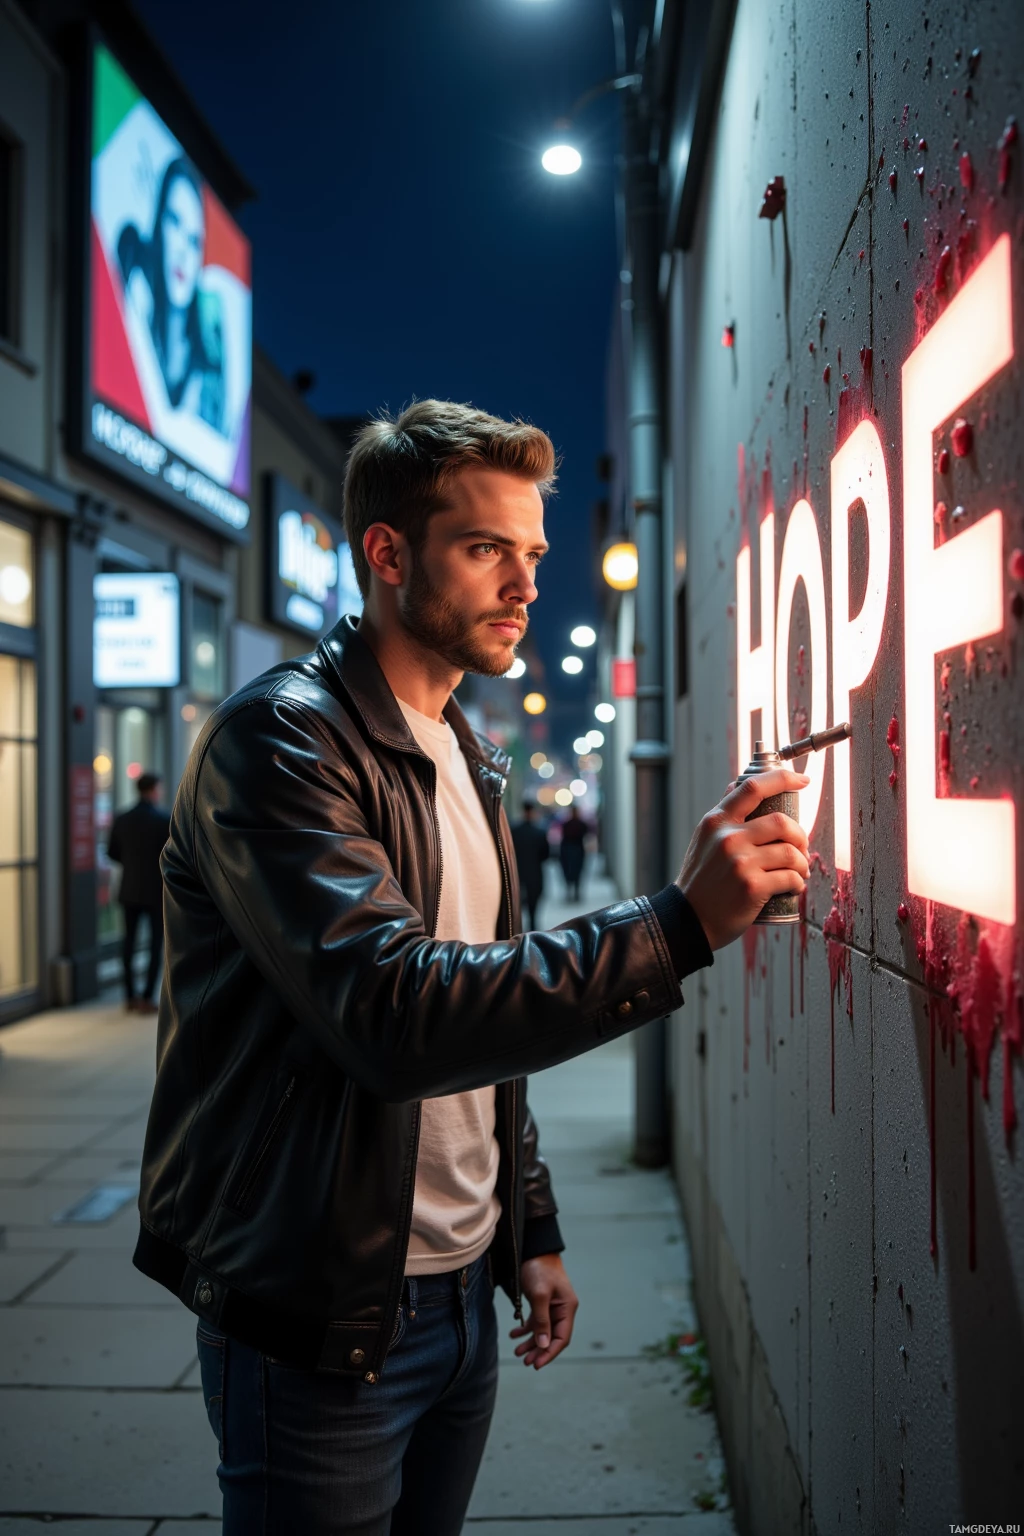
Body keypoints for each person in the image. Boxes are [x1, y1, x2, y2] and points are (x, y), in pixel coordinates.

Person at [132, 400, 809, 1535]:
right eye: (487, 548)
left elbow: (487, 1026)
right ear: (386, 553)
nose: (525, 584)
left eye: (534, 553)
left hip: (459, 1302)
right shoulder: (279, 743)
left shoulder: (466, 754)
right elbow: (396, 1011)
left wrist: (525, 1233)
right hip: (316, 1310)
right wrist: (675, 926)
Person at [117, 156, 226, 433]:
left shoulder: (208, 361)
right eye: (174, 222)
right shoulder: (133, 295)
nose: (183, 252)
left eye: (194, 241)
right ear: (158, 225)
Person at [106, 771, 170, 1015]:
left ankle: (129, 996)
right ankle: (147, 998)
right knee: (155, 945)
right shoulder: (163, 819)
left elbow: (112, 853)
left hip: (129, 889)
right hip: (155, 891)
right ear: (154, 789)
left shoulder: (122, 818)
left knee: (128, 944)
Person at [510, 797, 550, 929]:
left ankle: (518, 927)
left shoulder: (514, 832)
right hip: (535, 873)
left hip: (518, 873)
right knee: (533, 904)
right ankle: (533, 926)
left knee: (517, 904)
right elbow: (546, 855)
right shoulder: (539, 832)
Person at [558, 802, 589, 900]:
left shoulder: (568, 824)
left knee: (573, 872)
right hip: (574, 850)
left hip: (571, 850)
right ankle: (574, 892)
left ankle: (573, 892)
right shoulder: (580, 824)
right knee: (575, 872)